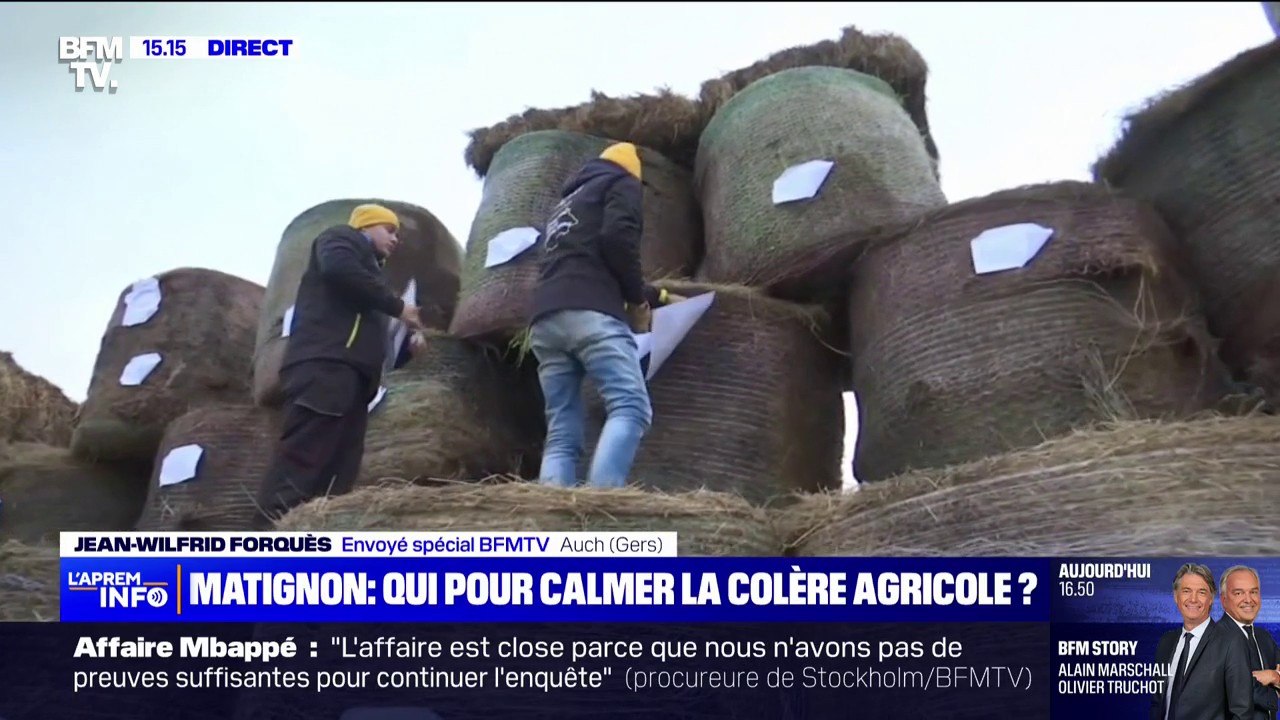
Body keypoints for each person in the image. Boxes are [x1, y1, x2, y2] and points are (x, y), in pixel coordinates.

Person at [254, 203, 423, 527]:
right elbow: (338, 269)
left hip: (353, 378)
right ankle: (265, 540)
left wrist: (405, 349)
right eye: (389, 230)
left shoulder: (370, 280)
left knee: (339, 470)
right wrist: (398, 306)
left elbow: (371, 337)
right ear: (367, 225)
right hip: (325, 366)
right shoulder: (340, 239)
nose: (395, 239)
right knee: (304, 459)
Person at [527, 141, 675, 488]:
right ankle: (605, 500)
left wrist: (659, 295)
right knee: (630, 406)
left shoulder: (567, 203)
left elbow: (584, 259)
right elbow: (617, 239)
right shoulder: (621, 182)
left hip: (545, 319)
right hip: (590, 314)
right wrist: (637, 301)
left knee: (562, 428)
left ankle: (551, 510)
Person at [1150, 562, 1252, 720]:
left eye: (1202, 592)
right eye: (1186, 591)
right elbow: (1158, 703)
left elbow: (1242, 713)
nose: (1193, 599)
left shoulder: (1231, 642)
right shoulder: (1166, 642)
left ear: (1211, 599)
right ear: (1176, 597)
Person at [1219, 565, 1280, 720]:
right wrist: (1274, 694)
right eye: (1239, 593)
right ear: (1223, 600)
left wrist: (1274, 677)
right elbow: (1240, 690)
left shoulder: (1264, 638)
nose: (1248, 599)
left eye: (1253, 592)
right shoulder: (1215, 637)